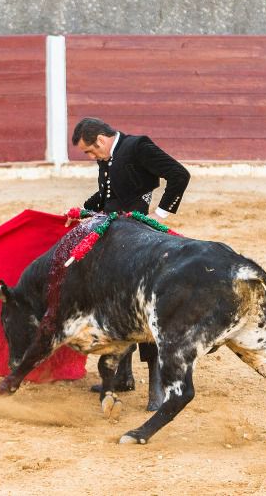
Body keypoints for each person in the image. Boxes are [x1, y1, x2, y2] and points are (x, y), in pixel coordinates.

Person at [70, 117, 190, 411]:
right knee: (114, 304)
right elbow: (109, 196)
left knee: (145, 306)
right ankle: (123, 376)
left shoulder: (138, 147)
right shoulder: (108, 157)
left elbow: (179, 175)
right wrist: (83, 211)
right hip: (116, 239)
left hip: (143, 242)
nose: (91, 157)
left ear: (100, 140)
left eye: (90, 151)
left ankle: (157, 388)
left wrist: (159, 215)